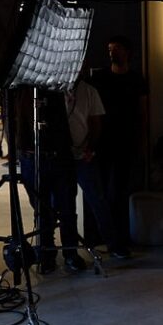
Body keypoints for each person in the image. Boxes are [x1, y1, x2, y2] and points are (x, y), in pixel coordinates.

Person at [14, 86, 86, 274]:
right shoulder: (22, 86)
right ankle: (47, 253)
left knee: (67, 207)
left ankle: (70, 252)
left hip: (60, 152)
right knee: (41, 209)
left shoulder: (58, 85)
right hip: (32, 154)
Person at [87, 36, 148, 245]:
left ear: (127, 52)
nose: (112, 52)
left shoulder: (136, 79)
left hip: (125, 141)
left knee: (120, 191)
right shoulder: (100, 78)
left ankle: (119, 237)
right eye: (110, 49)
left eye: (117, 48)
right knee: (101, 190)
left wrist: (141, 141)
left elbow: (142, 112)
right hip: (103, 141)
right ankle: (101, 236)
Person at [65, 77, 130, 258]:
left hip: (84, 154)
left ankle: (113, 244)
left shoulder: (89, 91)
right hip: (62, 155)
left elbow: (96, 122)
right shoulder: (55, 88)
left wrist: (90, 148)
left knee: (97, 200)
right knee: (66, 205)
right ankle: (70, 253)